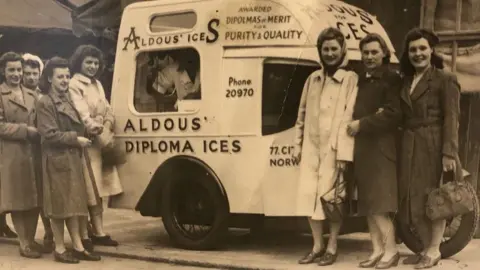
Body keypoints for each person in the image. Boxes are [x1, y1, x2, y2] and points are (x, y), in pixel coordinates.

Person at [293, 27, 358, 266]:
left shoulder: (350, 79)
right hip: (311, 149)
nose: (330, 53)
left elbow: (349, 116)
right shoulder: (313, 79)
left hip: (334, 151)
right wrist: (298, 146)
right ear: (319, 51)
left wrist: (343, 153)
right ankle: (317, 246)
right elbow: (301, 115)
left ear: (342, 50)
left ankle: (332, 246)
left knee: (332, 200)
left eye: (334, 48)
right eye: (325, 49)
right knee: (310, 198)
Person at [398, 28, 461, 269]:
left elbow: (452, 118)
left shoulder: (445, 79)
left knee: (435, 198)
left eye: (422, 48)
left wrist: (448, 152)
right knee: (415, 199)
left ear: (431, 50)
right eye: (413, 49)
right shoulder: (406, 80)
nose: (418, 53)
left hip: (434, 145)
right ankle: (426, 247)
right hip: (410, 145)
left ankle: (434, 250)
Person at [36, 56, 102, 263]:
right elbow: (49, 134)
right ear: (49, 78)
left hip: (71, 158)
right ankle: (60, 248)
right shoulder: (45, 102)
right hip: (57, 160)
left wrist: (88, 130)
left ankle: (78, 246)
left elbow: (76, 125)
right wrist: (76, 139)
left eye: (67, 76)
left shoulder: (66, 99)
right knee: (58, 207)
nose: (64, 80)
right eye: (60, 77)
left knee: (73, 205)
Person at [346, 33, 402, 269]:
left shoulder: (391, 79)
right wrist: (371, 117)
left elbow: (392, 114)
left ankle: (391, 251)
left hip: (381, 148)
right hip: (363, 149)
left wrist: (362, 124)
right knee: (369, 203)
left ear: (384, 54)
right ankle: (377, 250)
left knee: (380, 204)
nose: (369, 57)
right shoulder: (361, 79)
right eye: (365, 53)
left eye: (374, 52)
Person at [69, 44, 121, 249]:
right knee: (87, 190)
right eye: (88, 62)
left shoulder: (97, 84)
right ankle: (84, 235)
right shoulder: (75, 84)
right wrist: (98, 121)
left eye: (95, 62)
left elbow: (108, 109)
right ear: (79, 62)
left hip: (100, 143)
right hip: (86, 144)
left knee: (99, 191)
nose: (92, 66)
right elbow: (83, 116)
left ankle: (99, 230)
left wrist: (105, 122)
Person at [0, 52, 46, 258]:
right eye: (11, 70)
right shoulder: (1, 95)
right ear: (3, 71)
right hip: (12, 154)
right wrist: (25, 131)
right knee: (19, 198)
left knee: (35, 197)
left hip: (34, 152)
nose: (16, 74)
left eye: (19, 69)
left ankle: (31, 238)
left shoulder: (33, 94)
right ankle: (23, 242)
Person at [21, 53, 55, 253]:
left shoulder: (43, 96)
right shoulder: (19, 94)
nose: (31, 77)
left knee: (45, 195)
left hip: (43, 150)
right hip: (25, 149)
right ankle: (27, 238)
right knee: (29, 196)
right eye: (27, 73)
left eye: (35, 73)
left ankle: (50, 231)